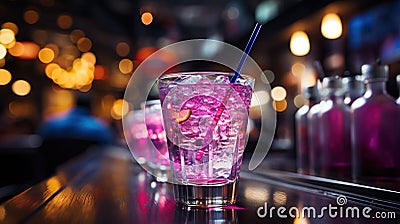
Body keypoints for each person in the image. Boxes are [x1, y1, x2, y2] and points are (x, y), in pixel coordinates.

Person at [37, 91, 115, 175]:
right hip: (87, 179)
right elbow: (108, 150)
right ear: (91, 106)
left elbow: (40, 141)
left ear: (75, 103)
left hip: (52, 176)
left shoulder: (51, 124)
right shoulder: (100, 128)